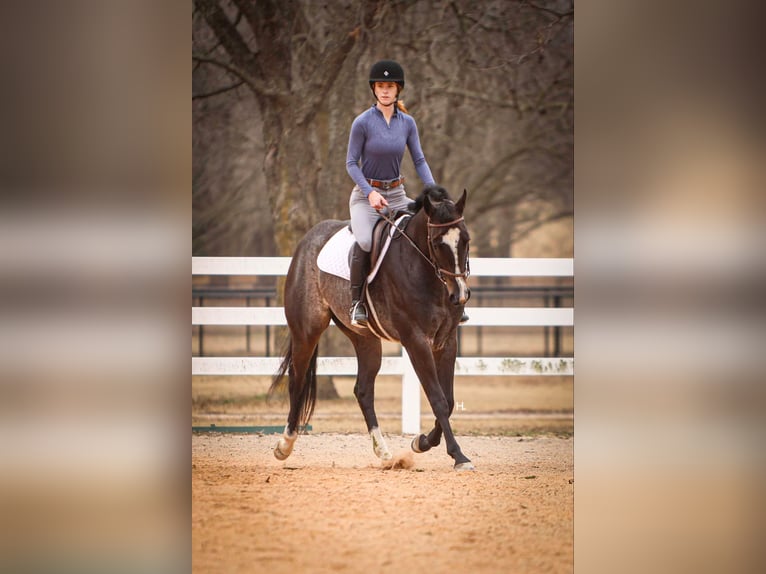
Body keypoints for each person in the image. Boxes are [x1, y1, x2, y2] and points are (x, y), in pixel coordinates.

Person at [345, 59, 468, 327]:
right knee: (365, 241)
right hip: (367, 197)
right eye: (380, 86)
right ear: (374, 89)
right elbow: (351, 164)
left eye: (390, 86)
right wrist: (369, 193)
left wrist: (435, 193)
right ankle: (357, 303)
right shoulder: (362, 123)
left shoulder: (408, 123)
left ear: (398, 89)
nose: (385, 91)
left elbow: (420, 160)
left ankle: (452, 295)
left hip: (398, 195)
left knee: (435, 230)